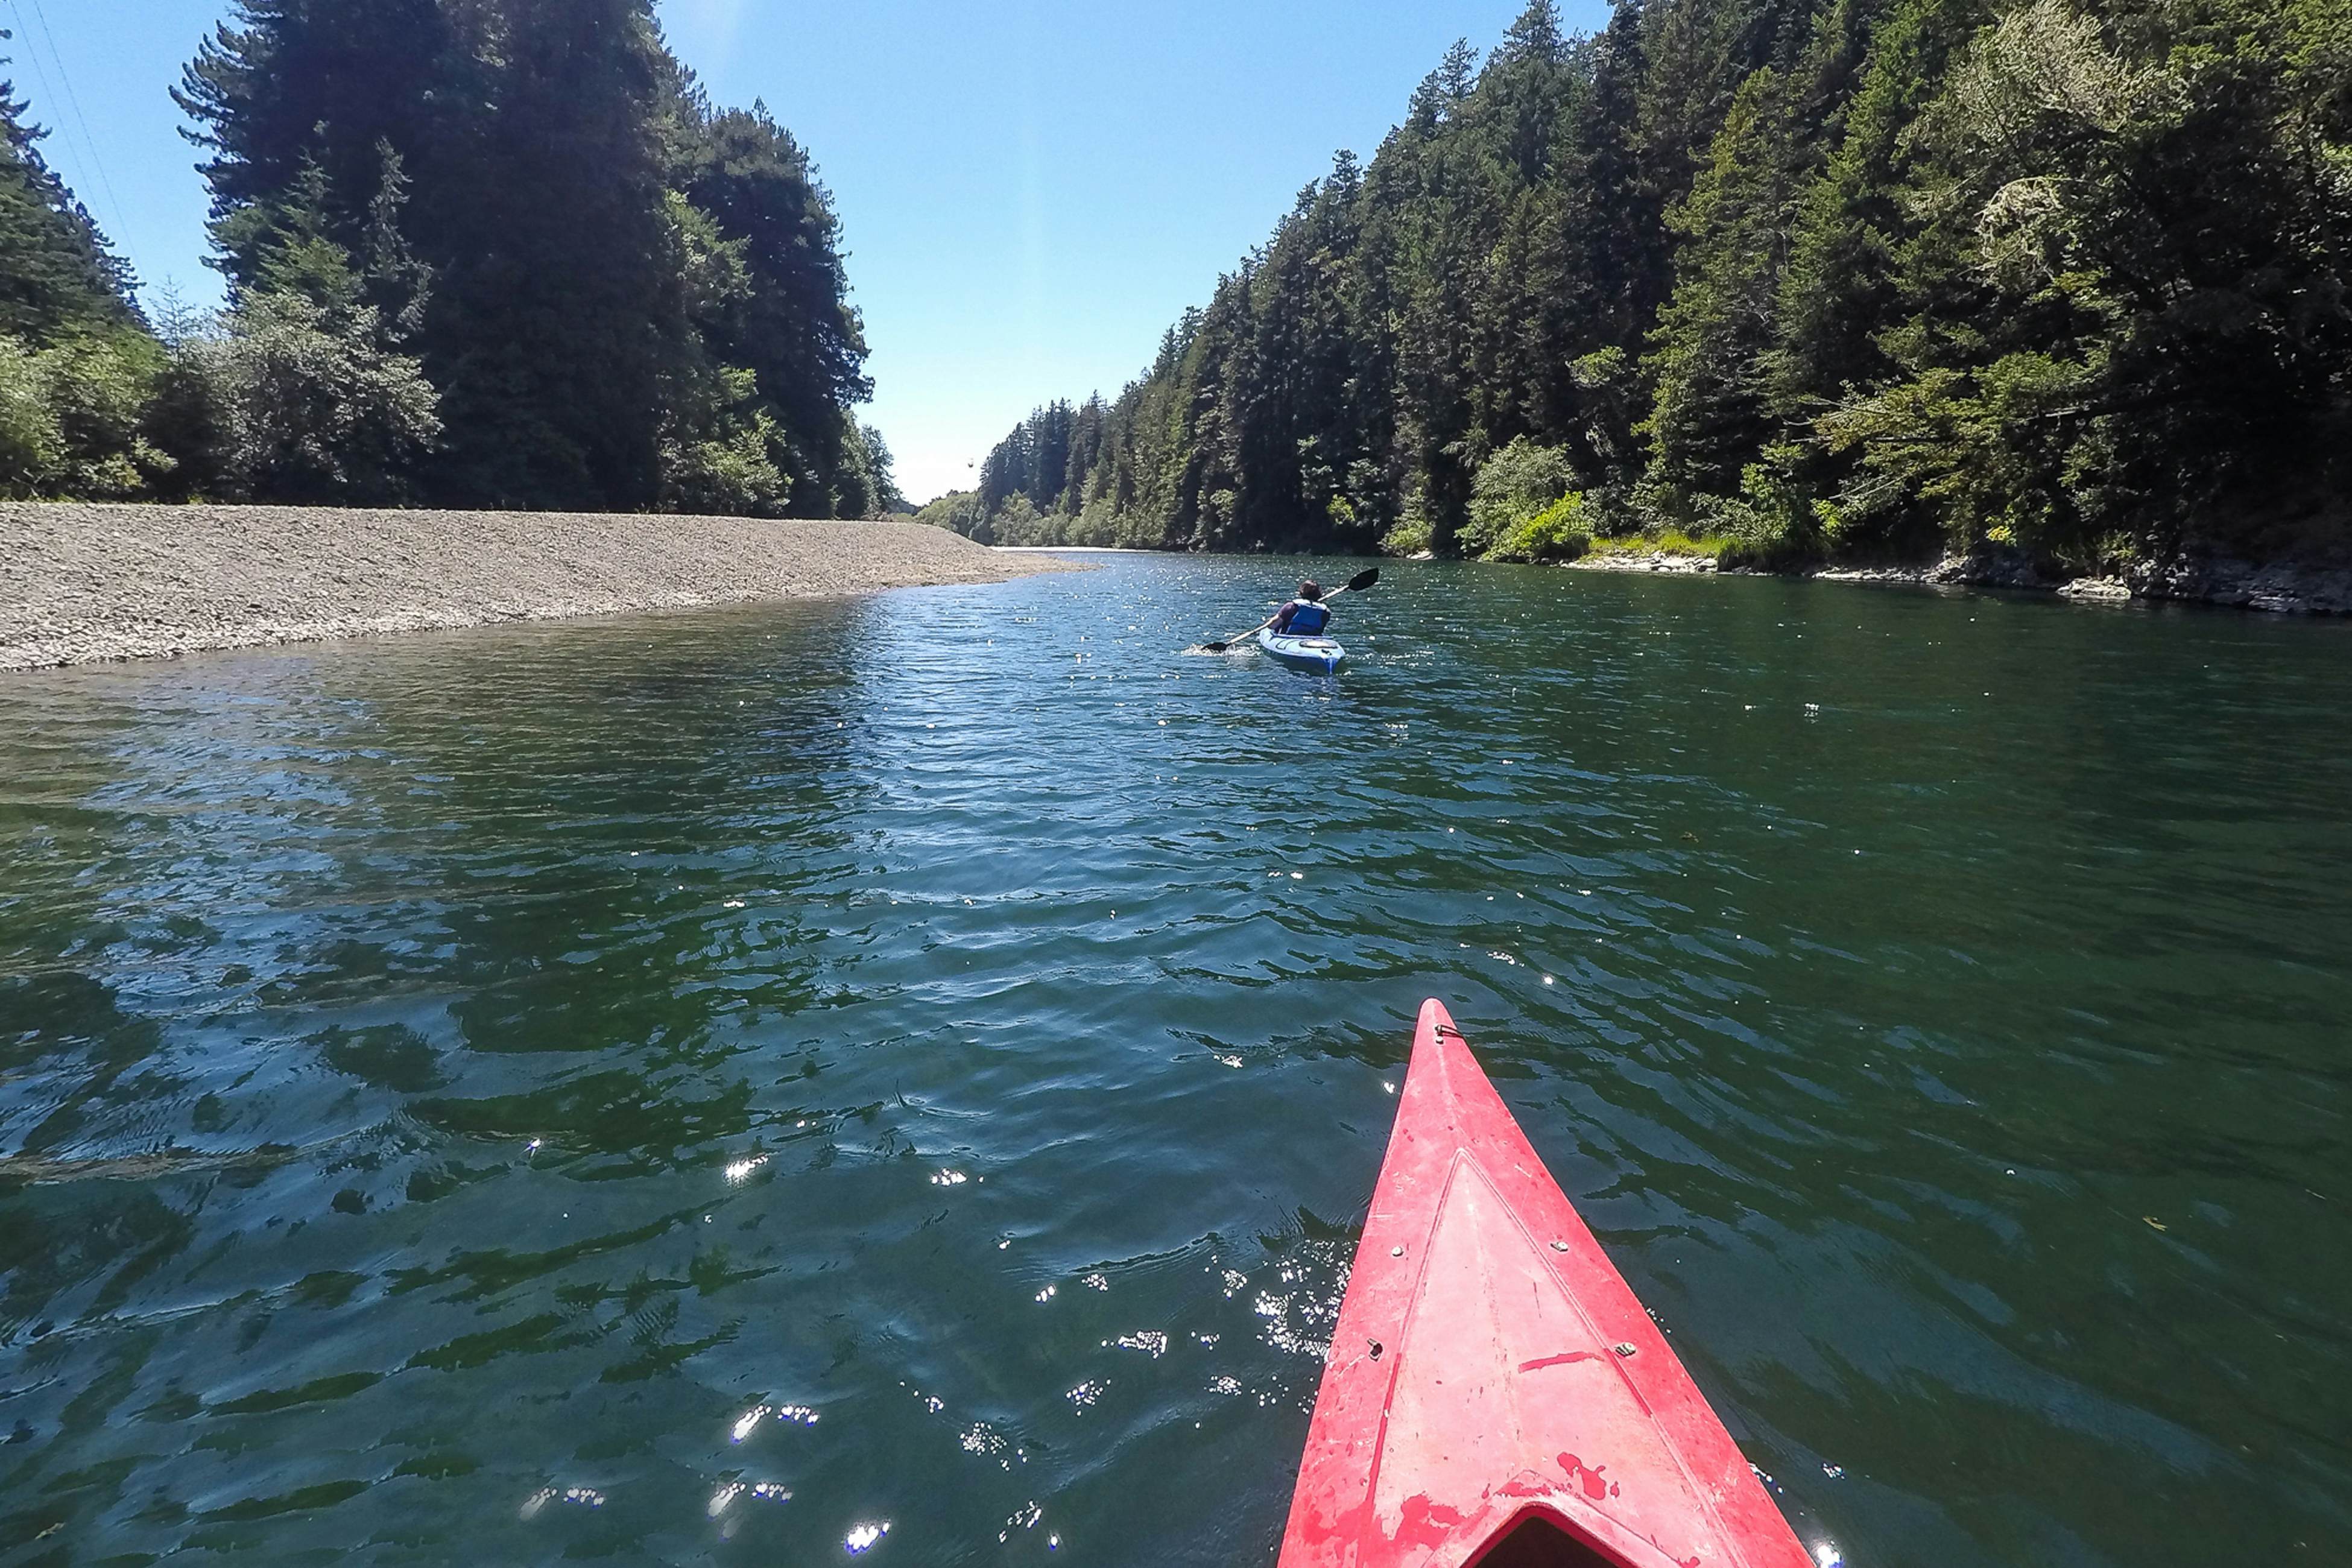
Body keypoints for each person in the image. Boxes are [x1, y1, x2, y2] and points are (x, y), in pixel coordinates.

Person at [1264, 580, 1332, 637]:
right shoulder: (1326, 611)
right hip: (1314, 639)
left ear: (1301, 592)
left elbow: (1272, 625)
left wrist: (1269, 622)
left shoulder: (1291, 607)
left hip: (1289, 638)